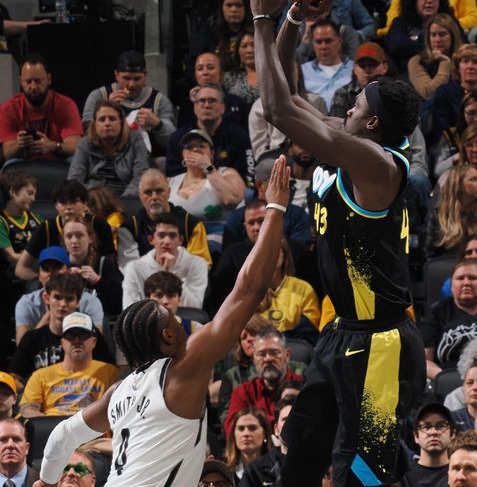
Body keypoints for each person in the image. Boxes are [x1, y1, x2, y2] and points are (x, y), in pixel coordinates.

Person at [247, 0, 426, 486]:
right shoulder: (349, 142)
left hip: (381, 342)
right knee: (301, 446)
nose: (348, 98)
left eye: (358, 99)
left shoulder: (377, 165)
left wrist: (261, 15)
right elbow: (281, 94)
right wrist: (293, 19)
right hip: (341, 332)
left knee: (364, 473)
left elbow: (279, 109)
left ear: (370, 120)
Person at [31, 155, 288, 487]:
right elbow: (249, 290)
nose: (181, 322)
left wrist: (47, 481)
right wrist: (276, 209)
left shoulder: (119, 391)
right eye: (174, 320)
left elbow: (64, 434)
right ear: (168, 338)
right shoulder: (183, 369)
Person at [10, 273, 114, 382]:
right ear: (46, 298)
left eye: (69, 299)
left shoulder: (90, 335)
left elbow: (110, 373)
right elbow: (14, 378)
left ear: (78, 302)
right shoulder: (32, 338)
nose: (63, 304)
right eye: (57, 297)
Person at [19, 312, 118, 418]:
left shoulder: (109, 372)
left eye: (83, 335)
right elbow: (27, 410)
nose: (76, 341)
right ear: (62, 343)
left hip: (94, 429)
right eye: (70, 336)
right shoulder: (40, 375)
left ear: (93, 342)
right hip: (51, 429)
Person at [15, 181, 115, 282]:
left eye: (73, 202)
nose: (68, 207)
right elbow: (20, 269)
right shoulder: (45, 228)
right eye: (63, 203)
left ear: (85, 204)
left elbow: (112, 266)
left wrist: (99, 281)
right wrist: (49, 284)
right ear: (55, 205)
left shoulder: (99, 225)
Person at [167, 127, 247, 253]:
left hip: (220, 238)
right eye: (189, 146)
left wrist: (207, 166)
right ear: (183, 154)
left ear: (211, 154)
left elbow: (229, 200)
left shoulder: (226, 173)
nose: (195, 149)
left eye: (201, 146)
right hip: (181, 238)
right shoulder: (170, 182)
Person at [81, 51, 176, 153]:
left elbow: (174, 142)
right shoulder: (99, 96)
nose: (131, 84)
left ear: (145, 75)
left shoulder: (158, 100)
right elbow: (87, 136)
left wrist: (158, 124)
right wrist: (106, 109)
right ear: (116, 75)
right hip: (107, 157)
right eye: (126, 78)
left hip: (149, 161)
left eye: (137, 78)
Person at [116, 169, 211, 270]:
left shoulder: (191, 225)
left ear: (169, 192)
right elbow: (128, 268)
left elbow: (200, 265)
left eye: (159, 191)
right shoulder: (129, 228)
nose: (154, 197)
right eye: (148, 192)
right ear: (140, 196)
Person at [166, 83, 254, 187]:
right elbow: (173, 178)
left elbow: (248, 177)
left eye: (212, 101)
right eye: (202, 101)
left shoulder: (239, 136)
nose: (207, 105)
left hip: (230, 193)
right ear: (195, 107)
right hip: (188, 194)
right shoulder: (178, 138)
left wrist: (207, 168)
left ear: (223, 108)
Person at [0, 53, 82, 162]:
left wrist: (53, 146)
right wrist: (19, 145)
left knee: (74, 161)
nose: (33, 87)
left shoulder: (65, 105)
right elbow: (7, 153)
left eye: (38, 81)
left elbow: (76, 147)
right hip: (24, 164)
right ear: (20, 82)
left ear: (49, 79)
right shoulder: (8, 108)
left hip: (57, 162)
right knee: (11, 163)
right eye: (28, 82)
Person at [14, 246, 105, 343]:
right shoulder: (26, 303)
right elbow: (21, 345)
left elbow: (96, 342)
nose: (51, 273)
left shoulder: (90, 301)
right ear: (39, 276)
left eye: (57, 268)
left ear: (69, 272)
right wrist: (52, 310)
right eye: (46, 269)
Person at [224, 327, 303, 435]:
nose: (268, 359)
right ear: (254, 359)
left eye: (274, 353)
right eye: (261, 354)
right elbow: (234, 433)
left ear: (287, 355)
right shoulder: (243, 393)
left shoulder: (303, 388)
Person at [121, 212, 208, 309]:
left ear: (180, 240)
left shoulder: (198, 264)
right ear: (151, 239)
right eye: (161, 236)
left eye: (172, 236)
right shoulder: (135, 268)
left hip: (183, 322)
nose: (166, 241)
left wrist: (170, 274)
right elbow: (129, 310)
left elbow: (194, 307)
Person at [428, 44, 477, 146]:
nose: (470, 66)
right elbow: (441, 129)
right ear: (458, 68)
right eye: (465, 62)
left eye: (475, 62)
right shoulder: (445, 93)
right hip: (453, 147)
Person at [68, 101, 151, 197]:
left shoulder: (135, 140)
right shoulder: (85, 144)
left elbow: (141, 176)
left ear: (121, 122)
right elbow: (74, 180)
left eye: (112, 119)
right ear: (95, 124)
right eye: (102, 119)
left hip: (126, 200)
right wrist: (96, 198)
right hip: (93, 200)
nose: (107, 123)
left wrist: (126, 200)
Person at [423, 164, 477, 260]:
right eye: (473, 179)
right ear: (458, 184)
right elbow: (427, 254)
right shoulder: (437, 216)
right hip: (445, 270)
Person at [256, 236, 321, 343]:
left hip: (293, 348)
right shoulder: (251, 289)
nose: (271, 254)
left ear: (284, 254)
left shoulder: (303, 288)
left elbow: (309, 332)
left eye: (276, 249)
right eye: (266, 250)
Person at [383, 0, 457, 70]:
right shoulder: (400, 23)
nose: (429, 0)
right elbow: (396, 46)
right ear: (414, 0)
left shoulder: (451, 22)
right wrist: (430, 52)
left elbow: (461, 45)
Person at [60, 214, 123, 315]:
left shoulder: (104, 264)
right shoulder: (58, 265)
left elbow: (117, 305)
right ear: (64, 240)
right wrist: (63, 281)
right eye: (69, 236)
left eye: (79, 235)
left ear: (90, 238)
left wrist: (97, 281)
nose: (74, 241)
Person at [239, 397, 293, 487]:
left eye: (295, 419)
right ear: (276, 430)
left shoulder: (318, 467)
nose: (291, 423)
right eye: (285, 419)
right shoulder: (255, 471)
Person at [408, 13, 464, 100]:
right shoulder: (417, 61)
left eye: (442, 34)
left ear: (453, 36)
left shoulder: (464, 58)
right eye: (433, 35)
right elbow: (429, 94)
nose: (437, 40)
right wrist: (444, 63)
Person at [401, 402, 456, 487]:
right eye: (426, 427)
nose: (434, 432)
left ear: (452, 434)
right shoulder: (403, 476)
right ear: (416, 436)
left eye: (441, 426)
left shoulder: (460, 474)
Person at [329, 42, 390, 119]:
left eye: (372, 65)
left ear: (385, 67)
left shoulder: (398, 92)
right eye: (362, 65)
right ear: (354, 69)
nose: (367, 70)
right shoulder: (343, 94)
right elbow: (337, 127)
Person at [0, 172, 41, 273]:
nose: (33, 199)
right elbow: (12, 257)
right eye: (30, 193)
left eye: (34, 195)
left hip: (39, 269)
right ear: (13, 192)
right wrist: (41, 258)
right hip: (11, 277)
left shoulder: (37, 219)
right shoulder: (2, 221)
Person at [144, 271, 204, 336]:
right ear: (147, 299)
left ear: (179, 299)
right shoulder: (136, 329)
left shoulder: (197, 330)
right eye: (159, 296)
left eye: (171, 295)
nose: (165, 301)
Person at [225, 407, 271, 481]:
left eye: (252, 428)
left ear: (265, 434)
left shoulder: (276, 469)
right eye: (241, 428)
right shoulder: (225, 473)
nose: (246, 434)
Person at [222, 28, 260, 114]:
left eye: (253, 44)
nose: (249, 50)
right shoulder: (228, 78)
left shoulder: (272, 75)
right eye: (244, 46)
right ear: (238, 51)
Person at [0, 418, 39, 486]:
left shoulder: (47, 483)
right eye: (3, 440)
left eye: (17, 440)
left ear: (27, 448)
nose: (10, 445)